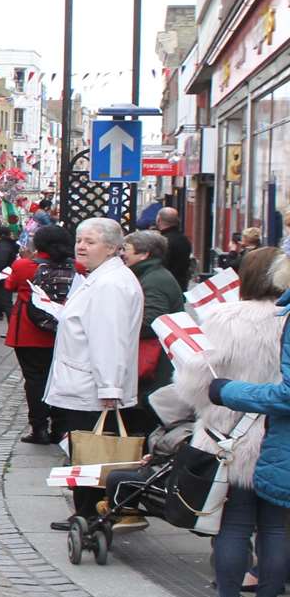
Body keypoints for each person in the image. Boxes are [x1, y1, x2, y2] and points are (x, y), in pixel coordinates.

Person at [170, 247, 286, 597]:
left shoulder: (223, 319)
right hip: (279, 440)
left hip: (229, 439)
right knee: (275, 528)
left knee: (232, 526)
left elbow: (196, 385)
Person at [42, 218, 142, 532]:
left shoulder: (111, 284)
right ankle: (85, 512)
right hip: (86, 382)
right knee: (86, 450)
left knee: (93, 453)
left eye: (91, 241)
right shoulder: (100, 278)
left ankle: (90, 514)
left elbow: (108, 338)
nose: (82, 247)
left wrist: (109, 386)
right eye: (80, 240)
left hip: (92, 387)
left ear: (112, 248)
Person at [5, 225, 75, 445]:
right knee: (60, 379)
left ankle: (39, 428)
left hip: (29, 332)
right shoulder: (76, 268)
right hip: (64, 332)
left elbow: (9, 285)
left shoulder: (24, 266)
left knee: (35, 381)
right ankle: (61, 427)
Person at [123, 229, 185, 435]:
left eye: (127, 250)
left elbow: (151, 322)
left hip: (154, 362)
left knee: (144, 418)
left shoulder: (154, 280)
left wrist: (118, 327)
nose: (123, 254)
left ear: (144, 254)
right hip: (155, 361)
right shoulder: (151, 275)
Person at [157, 206, 193, 290]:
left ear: (159, 220)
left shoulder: (163, 241)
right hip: (181, 284)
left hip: (165, 286)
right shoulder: (184, 239)